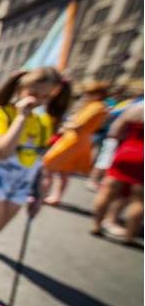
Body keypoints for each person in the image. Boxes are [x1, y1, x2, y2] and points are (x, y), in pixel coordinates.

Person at [0, 67, 70, 306]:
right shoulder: (1, 114)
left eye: (45, 97)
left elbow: (39, 160)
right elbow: (2, 149)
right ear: (21, 89)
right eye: (34, 93)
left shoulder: (44, 121)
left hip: (21, 186)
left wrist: (39, 194)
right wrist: (21, 117)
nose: (38, 100)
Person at [42, 81, 108, 205]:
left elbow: (78, 125)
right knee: (64, 171)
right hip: (80, 141)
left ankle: (43, 193)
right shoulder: (99, 107)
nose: (86, 96)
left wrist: (66, 125)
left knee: (49, 165)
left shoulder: (95, 107)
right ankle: (55, 196)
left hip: (73, 141)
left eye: (89, 94)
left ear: (98, 94)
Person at [91, 102, 143, 245]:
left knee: (107, 191)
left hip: (127, 151)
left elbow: (115, 130)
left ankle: (96, 225)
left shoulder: (137, 107)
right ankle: (129, 236)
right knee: (139, 199)